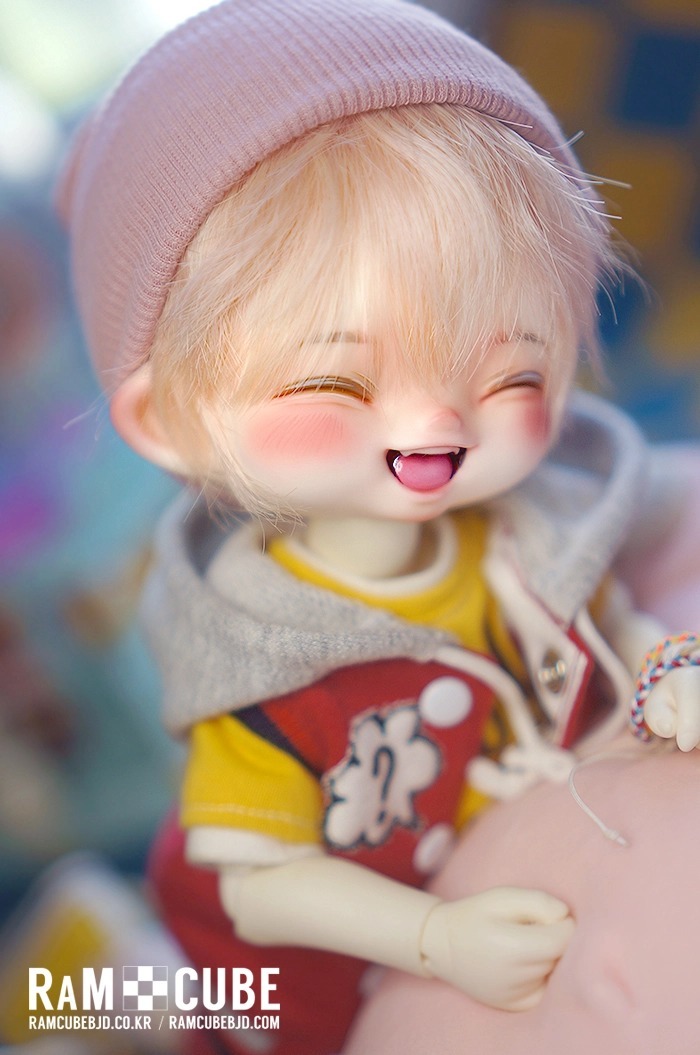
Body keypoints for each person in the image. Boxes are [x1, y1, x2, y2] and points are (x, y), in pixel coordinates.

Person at [57, 1, 700, 1052]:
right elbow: (261, 884)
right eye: (338, 383)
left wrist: (669, 668)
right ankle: (94, 958)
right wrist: (434, 939)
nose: (435, 425)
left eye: (510, 371)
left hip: (492, 872)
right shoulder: (261, 663)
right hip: (293, 971)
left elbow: (608, 623)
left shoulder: (541, 530)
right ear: (169, 417)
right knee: (189, 1024)